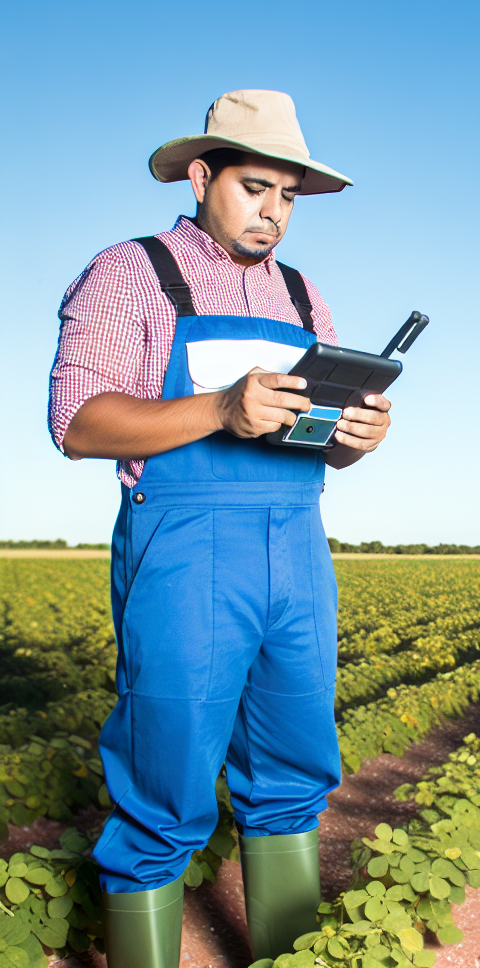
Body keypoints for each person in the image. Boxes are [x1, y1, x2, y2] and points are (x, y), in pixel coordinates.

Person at [48, 89, 391, 967]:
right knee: (164, 786)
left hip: (297, 548)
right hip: (188, 548)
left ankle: (289, 955)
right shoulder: (130, 272)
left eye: (287, 196)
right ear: (202, 176)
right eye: (253, 188)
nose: (273, 213)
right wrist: (221, 407)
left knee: (293, 772)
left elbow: (320, 451)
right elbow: (78, 422)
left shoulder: (305, 296)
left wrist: (358, 438)